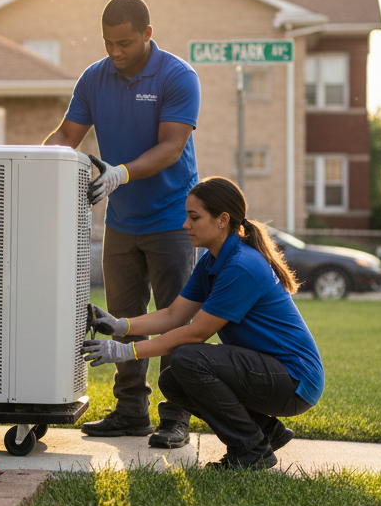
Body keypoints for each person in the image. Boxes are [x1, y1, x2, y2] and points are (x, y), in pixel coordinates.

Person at [44, 0, 200, 447]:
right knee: (122, 318)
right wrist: (32, 164)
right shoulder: (95, 78)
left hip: (173, 219)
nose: (115, 52)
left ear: (148, 34)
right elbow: (66, 136)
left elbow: (172, 146)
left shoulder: (177, 76)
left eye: (125, 43)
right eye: (108, 42)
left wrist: (122, 172)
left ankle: (176, 415)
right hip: (122, 222)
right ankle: (131, 410)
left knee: (176, 319)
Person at [82, 176, 324, 469]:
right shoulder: (212, 261)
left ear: (222, 220)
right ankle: (265, 431)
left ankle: (251, 451)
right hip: (271, 372)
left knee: (188, 358)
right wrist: (122, 326)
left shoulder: (241, 266)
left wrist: (123, 352)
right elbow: (174, 315)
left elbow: (196, 333)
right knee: (173, 380)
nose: (186, 225)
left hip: (295, 381)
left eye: (194, 217)